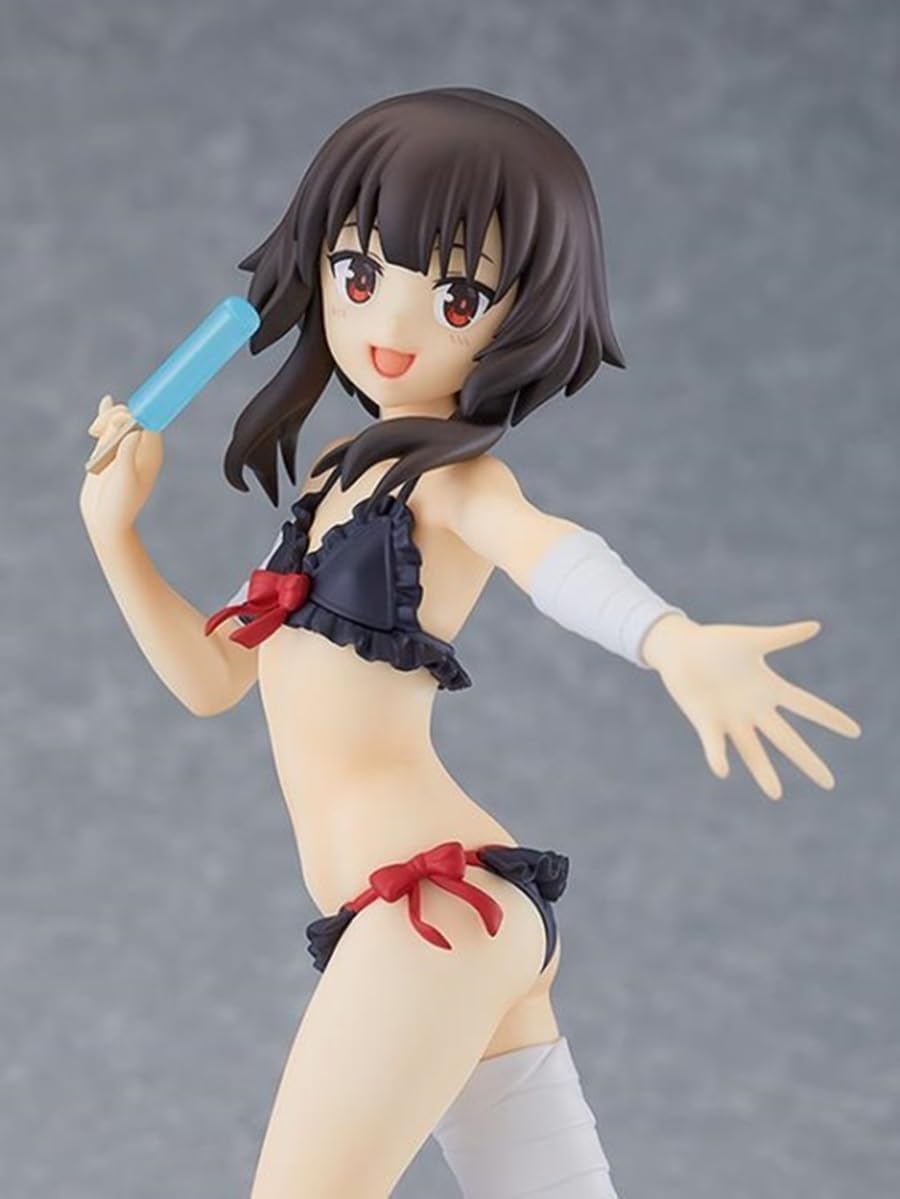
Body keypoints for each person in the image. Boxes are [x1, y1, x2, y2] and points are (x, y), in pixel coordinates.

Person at [79, 88, 860, 1199]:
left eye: (456, 295)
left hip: (434, 909)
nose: (393, 328)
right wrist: (115, 536)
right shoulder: (334, 475)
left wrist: (668, 637)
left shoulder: (451, 481)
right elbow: (214, 677)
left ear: (524, 314)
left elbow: (549, 550)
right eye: (360, 275)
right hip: (433, 916)